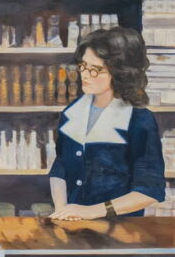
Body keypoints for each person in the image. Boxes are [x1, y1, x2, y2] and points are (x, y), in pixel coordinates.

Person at [48, 27, 165, 221]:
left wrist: (90, 211)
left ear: (120, 73)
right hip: (73, 224)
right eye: (83, 65)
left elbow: (150, 189)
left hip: (121, 228)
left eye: (96, 69)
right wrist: (62, 209)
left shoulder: (139, 120)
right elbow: (60, 167)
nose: (85, 75)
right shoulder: (72, 112)